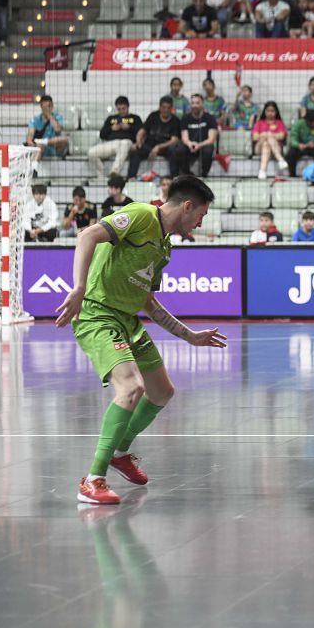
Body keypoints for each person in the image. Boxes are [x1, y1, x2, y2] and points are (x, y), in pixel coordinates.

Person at [54, 176, 225, 505]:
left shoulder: (164, 246)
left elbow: (147, 300)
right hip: (97, 314)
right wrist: (78, 288)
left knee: (162, 391)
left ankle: (120, 454)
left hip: (128, 319)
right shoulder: (141, 215)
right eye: (201, 215)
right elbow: (87, 234)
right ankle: (92, 479)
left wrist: (189, 336)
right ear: (187, 206)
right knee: (131, 387)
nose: (201, 222)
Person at [88, 96, 142, 181]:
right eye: (119, 109)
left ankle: (114, 172)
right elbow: (102, 134)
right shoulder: (111, 119)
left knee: (124, 143)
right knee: (91, 153)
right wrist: (111, 129)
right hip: (111, 143)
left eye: (123, 108)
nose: (121, 111)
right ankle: (101, 175)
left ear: (128, 107)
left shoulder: (135, 118)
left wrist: (129, 128)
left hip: (127, 142)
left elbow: (141, 133)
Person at [128, 96, 181, 181]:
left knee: (174, 151)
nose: (166, 110)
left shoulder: (175, 120)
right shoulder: (153, 116)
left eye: (168, 108)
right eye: (163, 107)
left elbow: (174, 140)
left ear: (171, 108)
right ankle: (131, 178)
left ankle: (174, 178)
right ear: (160, 107)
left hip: (165, 148)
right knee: (135, 151)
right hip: (149, 146)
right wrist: (138, 142)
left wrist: (159, 147)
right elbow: (141, 132)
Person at [170, 94, 218, 177]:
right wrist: (190, 144)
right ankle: (186, 173)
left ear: (202, 104)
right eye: (192, 103)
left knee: (208, 149)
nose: (195, 105)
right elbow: (184, 138)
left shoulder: (210, 118)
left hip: (203, 146)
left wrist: (199, 145)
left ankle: (204, 175)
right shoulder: (185, 118)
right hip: (190, 146)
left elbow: (211, 139)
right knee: (178, 149)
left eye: (197, 103)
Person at [25, 95, 70, 165]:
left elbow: (57, 129)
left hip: (54, 146)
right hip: (41, 148)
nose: (48, 109)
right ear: (41, 106)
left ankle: (43, 141)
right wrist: (32, 144)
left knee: (65, 140)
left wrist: (49, 116)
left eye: (49, 106)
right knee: (39, 146)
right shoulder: (35, 120)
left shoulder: (58, 117)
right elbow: (30, 137)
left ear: (52, 106)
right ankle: (34, 167)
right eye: (45, 107)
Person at [285, 108, 314, 178]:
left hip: (313, 147)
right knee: (291, 154)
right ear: (307, 121)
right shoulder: (298, 124)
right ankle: (292, 174)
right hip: (301, 147)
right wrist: (298, 144)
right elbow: (293, 139)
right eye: (313, 122)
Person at [253, 101, 287, 180]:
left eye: (272, 111)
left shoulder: (279, 123)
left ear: (276, 112)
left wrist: (267, 135)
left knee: (266, 144)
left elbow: (282, 136)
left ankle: (262, 171)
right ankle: (280, 160)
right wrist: (267, 135)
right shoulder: (259, 123)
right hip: (259, 148)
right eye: (268, 111)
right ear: (264, 111)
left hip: (276, 148)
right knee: (266, 141)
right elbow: (255, 137)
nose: (270, 113)